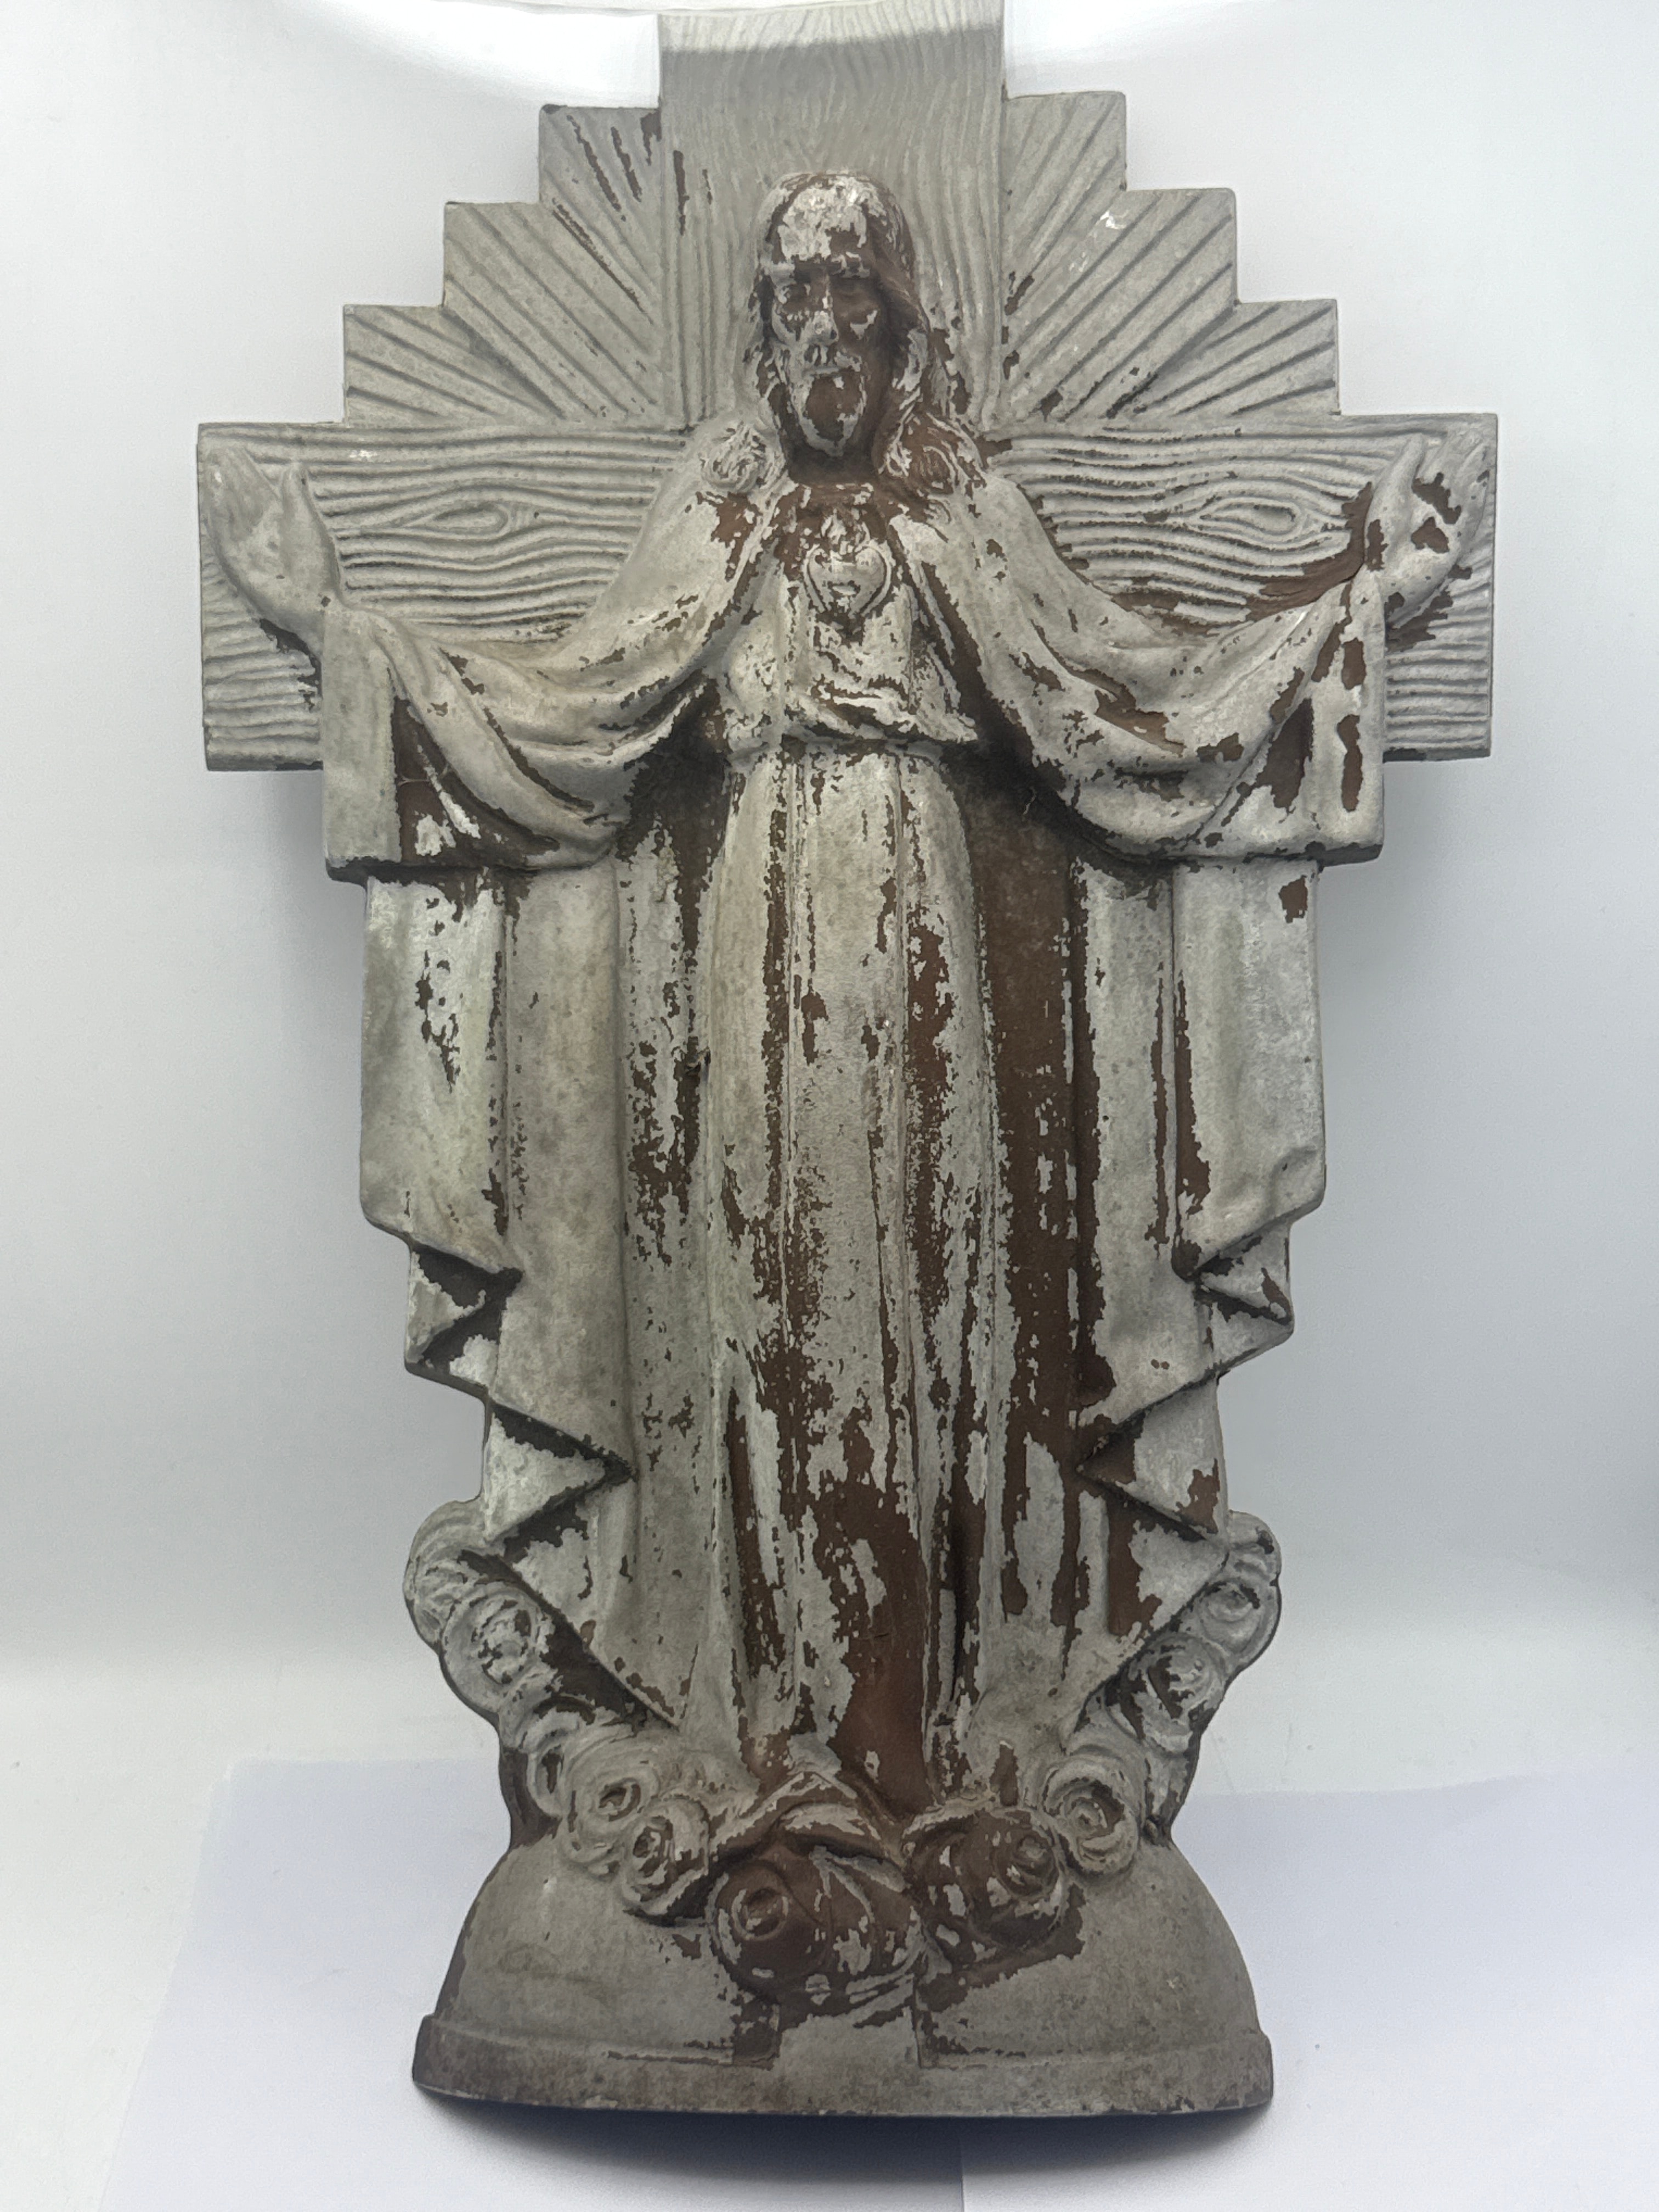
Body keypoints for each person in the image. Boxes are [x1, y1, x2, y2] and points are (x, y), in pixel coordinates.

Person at [208, 171, 1482, 1847]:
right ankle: (761, 1727)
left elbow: (1130, 707)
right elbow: (575, 707)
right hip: (751, 939)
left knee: (940, 1310)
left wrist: (1362, 604)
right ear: (764, 337)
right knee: (767, 1299)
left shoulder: (963, 504)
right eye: (796, 307)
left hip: (924, 929)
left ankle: (931, 1724)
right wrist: (332, 626)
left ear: (903, 334)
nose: (826, 339)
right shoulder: (720, 502)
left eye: (854, 305)